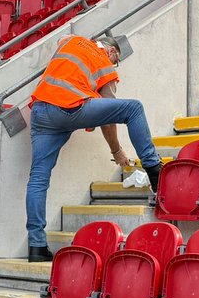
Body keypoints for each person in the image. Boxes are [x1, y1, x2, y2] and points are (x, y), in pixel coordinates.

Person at [25, 35, 161, 262]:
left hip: (41, 111)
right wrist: (117, 151)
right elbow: (108, 117)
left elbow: (63, 37)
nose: (114, 64)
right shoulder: (103, 62)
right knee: (134, 108)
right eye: (116, 59)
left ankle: (36, 247)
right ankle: (154, 170)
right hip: (70, 107)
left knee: (38, 178)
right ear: (111, 52)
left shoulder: (71, 41)